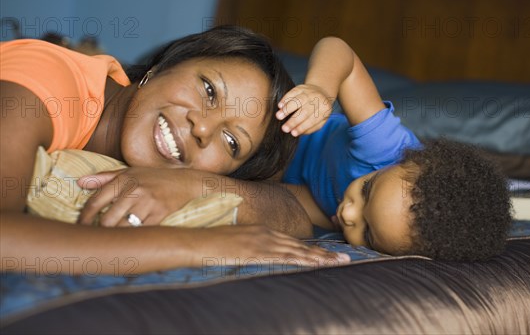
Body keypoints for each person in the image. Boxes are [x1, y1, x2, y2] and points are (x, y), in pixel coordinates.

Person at [0, 26, 349, 275]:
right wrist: (199, 246)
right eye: (209, 91)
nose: (202, 128)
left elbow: (293, 215)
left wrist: (195, 186)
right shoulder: (43, 87)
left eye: (231, 143)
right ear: (158, 68)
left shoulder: (186, 164)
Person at [277, 37, 512, 261]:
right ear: (410, 160)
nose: (348, 214)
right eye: (367, 189)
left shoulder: (347, 215)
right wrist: (320, 90)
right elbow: (338, 50)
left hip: (278, 169)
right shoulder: (384, 146)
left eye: (368, 234)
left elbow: (280, 197)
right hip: (282, 126)